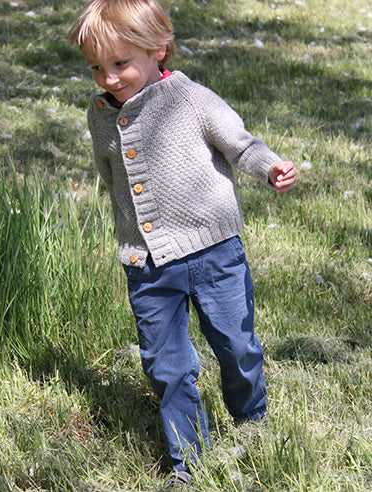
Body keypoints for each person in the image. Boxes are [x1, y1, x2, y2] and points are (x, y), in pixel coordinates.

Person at [68, 0, 296, 488]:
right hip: (147, 265)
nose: (108, 78)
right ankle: (187, 463)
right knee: (167, 367)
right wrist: (125, 233)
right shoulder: (100, 114)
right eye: (96, 68)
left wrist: (270, 167)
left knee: (237, 347)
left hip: (214, 252)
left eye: (120, 64)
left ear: (159, 50)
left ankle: (252, 420)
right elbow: (111, 177)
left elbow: (240, 143)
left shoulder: (189, 99)